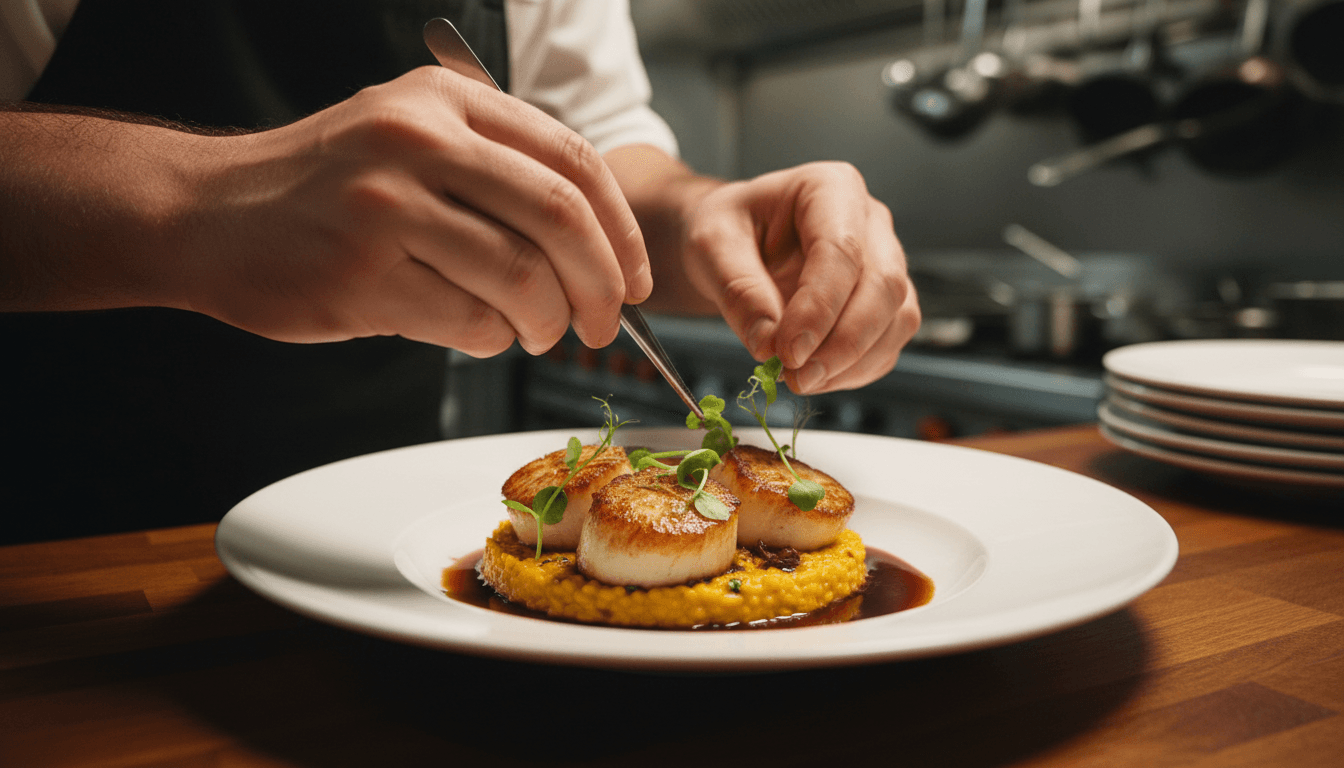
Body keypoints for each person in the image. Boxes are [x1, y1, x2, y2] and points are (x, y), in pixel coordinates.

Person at [0, 0, 919, 542]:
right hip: (49, 578)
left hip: (372, 556)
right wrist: (196, 203)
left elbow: (595, 157)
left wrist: (703, 219)